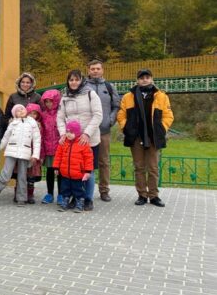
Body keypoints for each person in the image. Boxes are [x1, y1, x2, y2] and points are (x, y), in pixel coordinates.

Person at [117, 68, 174, 207]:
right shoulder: (127, 97)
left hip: (153, 137)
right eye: (142, 77)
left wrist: (161, 129)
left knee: (153, 168)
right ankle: (142, 195)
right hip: (136, 138)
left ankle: (154, 196)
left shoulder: (161, 96)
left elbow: (168, 115)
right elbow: (121, 115)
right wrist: (126, 129)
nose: (144, 79)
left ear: (152, 79)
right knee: (139, 167)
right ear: (137, 80)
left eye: (147, 77)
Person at [57, 69, 102, 211]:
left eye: (76, 79)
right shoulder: (64, 97)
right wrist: (63, 133)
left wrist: (87, 133)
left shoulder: (90, 94)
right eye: (71, 80)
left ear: (81, 80)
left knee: (88, 170)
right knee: (71, 169)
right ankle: (75, 198)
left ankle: (87, 199)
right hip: (70, 140)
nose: (74, 82)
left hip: (88, 139)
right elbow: (60, 117)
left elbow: (98, 115)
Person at [0, 104, 41, 206]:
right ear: (15, 114)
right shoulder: (13, 124)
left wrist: (35, 155)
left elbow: (37, 140)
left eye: (22, 108)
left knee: (22, 176)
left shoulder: (32, 123)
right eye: (17, 110)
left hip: (25, 153)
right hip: (11, 151)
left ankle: (21, 198)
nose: (21, 110)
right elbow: (5, 138)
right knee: (6, 174)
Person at [85, 59, 121, 202]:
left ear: (102, 70)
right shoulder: (83, 86)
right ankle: (84, 189)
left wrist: (110, 120)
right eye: (92, 68)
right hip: (86, 132)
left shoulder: (109, 86)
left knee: (104, 161)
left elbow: (116, 106)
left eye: (98, 68)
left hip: (104, 130)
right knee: (84, 161)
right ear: (88, 70)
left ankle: (104, 190)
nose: (95, 71)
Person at [53, 120, 94, 213]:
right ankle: (65, 201)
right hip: (65, 173)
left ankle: (80, 203)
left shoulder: (83, 143)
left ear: (77, 133)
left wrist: (88, 171)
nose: (68, 134)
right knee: (65, 189)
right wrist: (56, 167)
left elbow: (88, 158)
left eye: (71, 132)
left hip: (78, 174)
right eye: (67, 132)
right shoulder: (63, 143)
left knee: (78, 190)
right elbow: (58, 155)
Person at [39, 89, 63, 205]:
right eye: (46, 102)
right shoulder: (43, 115)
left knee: (60, 173)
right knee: (49, 171)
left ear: (57, 101)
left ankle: (61, 194)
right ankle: (49, 193)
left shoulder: (61, 114)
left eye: (51, 101)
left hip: (59, 148)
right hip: (48, 147)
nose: (49, 104)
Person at [24, 103, 44, 204]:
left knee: (31, 176)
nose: (32, 116)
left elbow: (41, 141)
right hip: (23, 153)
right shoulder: (22, 124)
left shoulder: (39, 126)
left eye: (35, 114)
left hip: (34, 155)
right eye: (30, 113)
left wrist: (41, 155)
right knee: (21, 174)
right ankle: (19, 193)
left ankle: (30, 194)